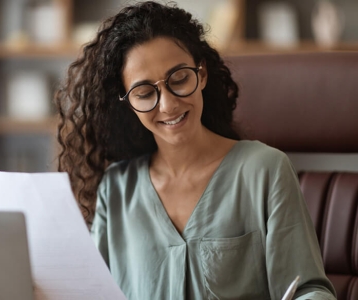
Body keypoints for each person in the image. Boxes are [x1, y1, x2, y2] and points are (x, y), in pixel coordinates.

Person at [54, 1, 337, 299]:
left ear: (201, 74)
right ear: (127, 103)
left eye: (179, 79)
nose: (168, 104)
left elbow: (310, 290)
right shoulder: (117, 188)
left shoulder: (264, 170)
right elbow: (94, 292)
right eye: (145, 93)